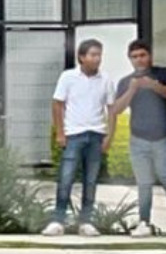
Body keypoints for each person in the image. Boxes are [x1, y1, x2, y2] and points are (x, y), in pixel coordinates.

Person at [111, 40, 166, 238]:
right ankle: (144, 222)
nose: (139, 60)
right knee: (143, 184)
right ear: (130, 59)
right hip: (138, 139)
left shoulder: (163, 73)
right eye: (134, 57)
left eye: (142, 55)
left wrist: (154, 86)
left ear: (150, 56)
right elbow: (116, 109)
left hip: (163, 137)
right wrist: (133, 89)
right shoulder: (126, 81)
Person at [43, 39, 116, 237]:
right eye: (93, 55)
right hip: (74, 133)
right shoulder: (68, 77)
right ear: (82, 57)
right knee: (66, 177)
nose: (97, 59)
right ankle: (58, 220)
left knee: (90, 180)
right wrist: (60, 132)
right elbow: (58, 104)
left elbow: (111, 109)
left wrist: (109, 135)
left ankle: (86, 221)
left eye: (99, 55)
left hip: (96, 133)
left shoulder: (106, 79)